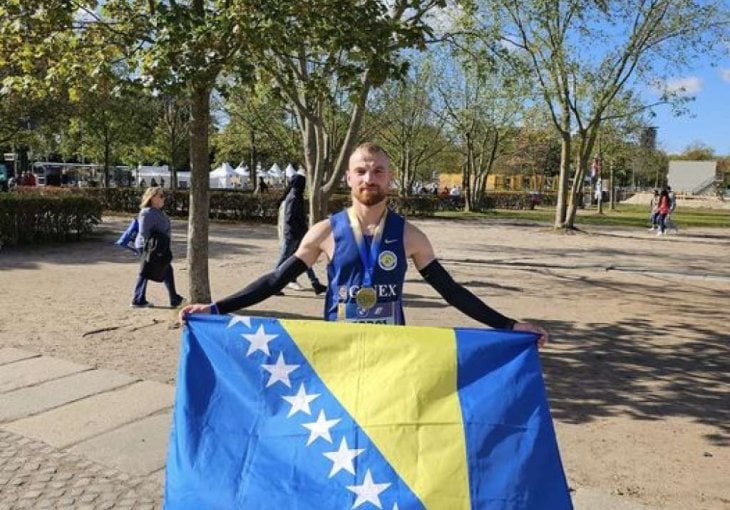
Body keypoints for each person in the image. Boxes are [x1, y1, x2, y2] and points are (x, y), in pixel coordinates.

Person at [180, 143, 548, 346]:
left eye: (378, 171)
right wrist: (216, 308)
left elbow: (451, 291)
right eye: (361, 171)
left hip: (390, 351)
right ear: (348, 177)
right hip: (335, 350)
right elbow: (275, 281)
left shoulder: (410, 236)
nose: (369, 178)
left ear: (390, 177)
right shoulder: (324, 232)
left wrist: (509, 325)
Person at [131, 187, 184, 307]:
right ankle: (173, 298)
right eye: (160, 196)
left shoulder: (158, 211)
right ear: (152, 197)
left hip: (158, 246)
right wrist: (151, 250)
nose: (163, 198)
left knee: (155, 270)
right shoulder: (147, 212)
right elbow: (144, 232)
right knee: (150, 270)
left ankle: (139, 299)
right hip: (149, 247)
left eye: (163, 195)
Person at [275, 172, 327, 294]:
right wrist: (301, 232)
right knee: (284, 258)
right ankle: (273, 284)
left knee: (304, 259)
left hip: (296, 234)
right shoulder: (293, 198)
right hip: (293, 235)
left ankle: (315, 283)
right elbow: (290, 219)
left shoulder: (294, 196)